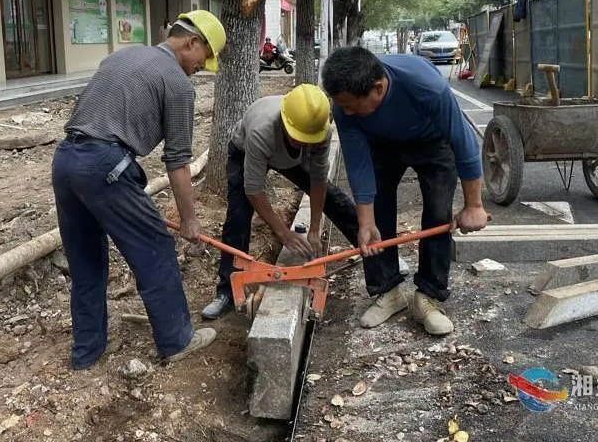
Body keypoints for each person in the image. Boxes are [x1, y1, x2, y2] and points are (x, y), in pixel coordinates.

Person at [52, 10, 225, 369]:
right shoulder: (178, 84)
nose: (201, 67)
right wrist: (190, 221)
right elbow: (177, 161)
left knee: (86, 261)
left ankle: (87, 352)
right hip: (104, 167)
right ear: (191, 42)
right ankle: (178, 341)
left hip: (66, 160)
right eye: (203, 58)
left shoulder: (123, 56)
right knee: (156, 247)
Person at [321, 47, 488, 336]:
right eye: (341, 106)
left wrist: (474, 205)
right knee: (377, 218)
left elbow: (464, 143)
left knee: (438, 212)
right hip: (381, 145)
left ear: (377, 88)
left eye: (351, 106)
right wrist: (365, 222)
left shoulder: (424, 84)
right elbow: (359, 166)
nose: (345, 112)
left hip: (432, 140)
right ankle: (389, 292)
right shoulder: (344, 106)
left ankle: (429, 296)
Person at [201, 84, 360, 319]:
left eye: (310, 141)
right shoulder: (262, 131)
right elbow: (253, 189)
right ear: (287, 125)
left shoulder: (319, 133)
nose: (305, 145)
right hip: (246, 149)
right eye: (300, 139)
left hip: (288, 156)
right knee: (237, 217)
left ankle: (376, 256)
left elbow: (318, 182)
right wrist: (284, 233)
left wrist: (314, 229)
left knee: (335, 198)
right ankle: (226, 291)